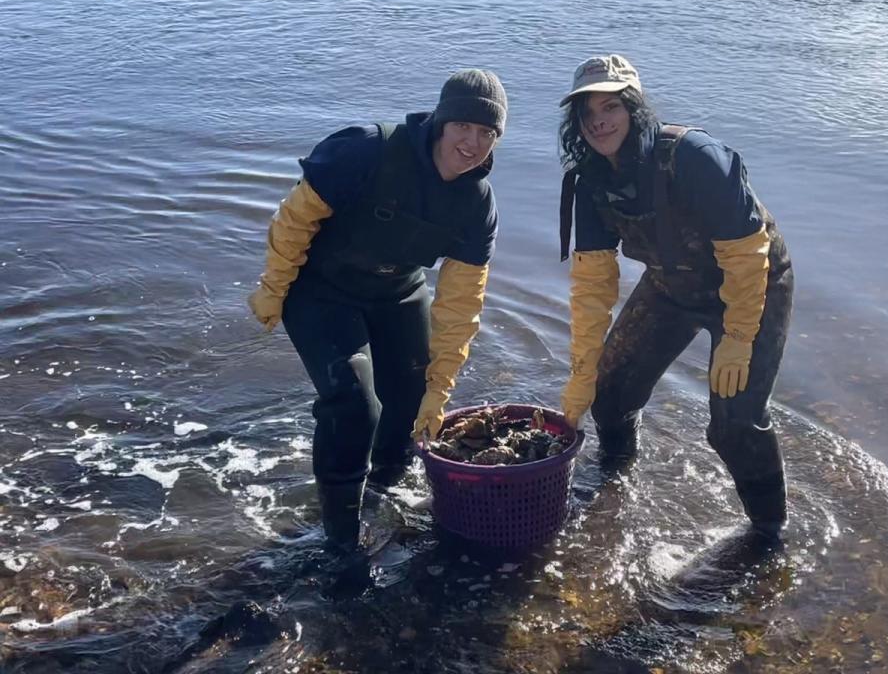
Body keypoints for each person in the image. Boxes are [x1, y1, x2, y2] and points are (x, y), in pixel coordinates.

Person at [248, 69, 507, 550]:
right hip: (322, 290)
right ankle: (341, 539)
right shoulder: (365, 150)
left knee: (410, 407)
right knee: (353, 406)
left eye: (487, 133)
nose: (472, 143)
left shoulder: (477, 204)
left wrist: (441, 385)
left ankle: (385, 494)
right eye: (463, 127)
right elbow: (295, 219)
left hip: (398, 293)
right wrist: (274, 284)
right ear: (440, 122)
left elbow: (462, 303)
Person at [557, 55, 793, 538]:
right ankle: (615, 477)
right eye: (587, 112)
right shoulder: (590, 181)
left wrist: (739, 336)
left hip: (752, 287)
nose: (598, 120)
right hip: (671, 286)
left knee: (735, 425)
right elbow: (593, 285)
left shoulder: (694, 157)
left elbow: (748, 257)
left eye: (611, 106)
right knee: (609, 391)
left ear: (635, 107)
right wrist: (584, 368)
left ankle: (769, 532)